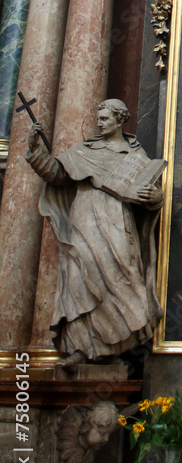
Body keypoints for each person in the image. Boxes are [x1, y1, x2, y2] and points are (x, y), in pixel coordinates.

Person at [26, 99, 163, 368]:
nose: (99, 123)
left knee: (120, 279)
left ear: (120, 120)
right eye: (98, 118)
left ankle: (114, 347)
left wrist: (155, 197)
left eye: (105, 119)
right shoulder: (83, 151)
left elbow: (150, 193)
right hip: (84, 219)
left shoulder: (136, 156)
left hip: (117, 223)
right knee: (79, 280)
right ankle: (81, 347)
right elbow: (56, 174)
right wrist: (36, 151)